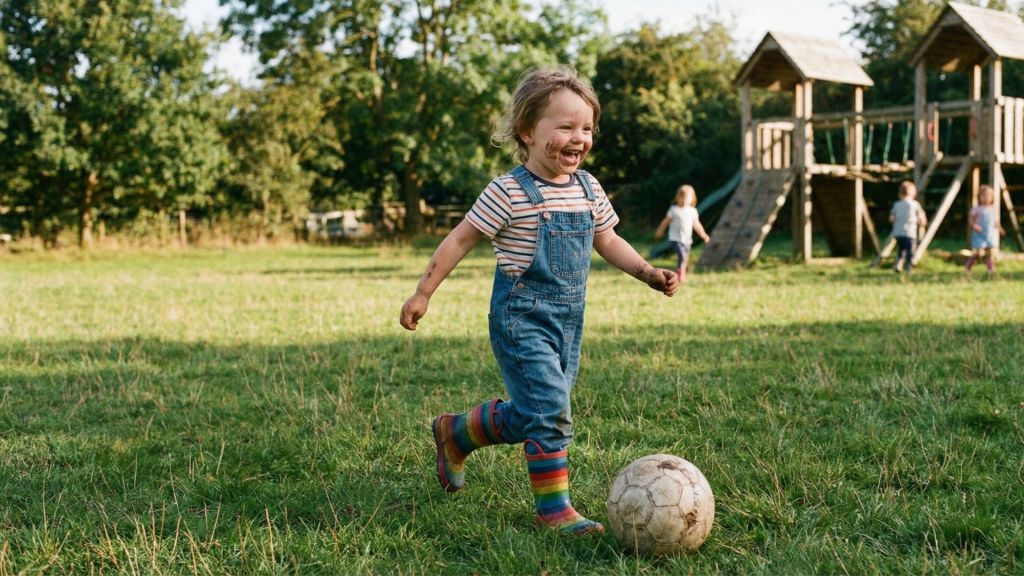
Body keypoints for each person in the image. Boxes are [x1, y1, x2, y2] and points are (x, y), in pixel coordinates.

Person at [399, 66, 678, 534]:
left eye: (586, 128)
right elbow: (460, 239)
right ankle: (555, 510)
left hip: (568, 321)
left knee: (535, 412)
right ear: (527, 132)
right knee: (549, 409)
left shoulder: (588, 189)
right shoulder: (508, 191)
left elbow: (608, 240)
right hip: (520, 317)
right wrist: (423, 291)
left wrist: (647, 272)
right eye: (565, 126)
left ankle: (456, 432)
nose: (579, 137)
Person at [654, 185, 710, 283]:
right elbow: (666, 221)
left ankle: (680, 273)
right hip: (675, 238)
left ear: (692, 199)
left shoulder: (692, 211)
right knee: (682, 255)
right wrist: (660, 230)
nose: (684, 200)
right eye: (682, 197)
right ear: (677, 197)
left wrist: (703, 234)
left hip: (687, 239)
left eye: (686, 198)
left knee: (684, 258)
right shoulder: (674, 210)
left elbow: (696, 224)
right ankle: (680, 275)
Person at [888, 181, 927, 274]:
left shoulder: (896, 204)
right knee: (910, 250)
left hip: (898, 232)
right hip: (910, 232)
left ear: (900, 194)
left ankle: (898, 263)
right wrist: (922, 223)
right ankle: (908, 267)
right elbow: (921, 218)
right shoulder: (914, 204)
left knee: (901, 249)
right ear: (913, 194)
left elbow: (891, 218)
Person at [965, 184, 1005, 273]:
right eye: (984, 196)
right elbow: (970, 219)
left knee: (991, 252)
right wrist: (975, 226)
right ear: (979, 197)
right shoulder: (977, 209)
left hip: (990, 234)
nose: (986, 198)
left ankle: (990, 268)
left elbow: (996, 221)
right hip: (979, 234)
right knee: (979, 254)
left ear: (992, 197)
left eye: (989, 196)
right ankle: (970, 263)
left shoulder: (993, 209)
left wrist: (1000, 229)